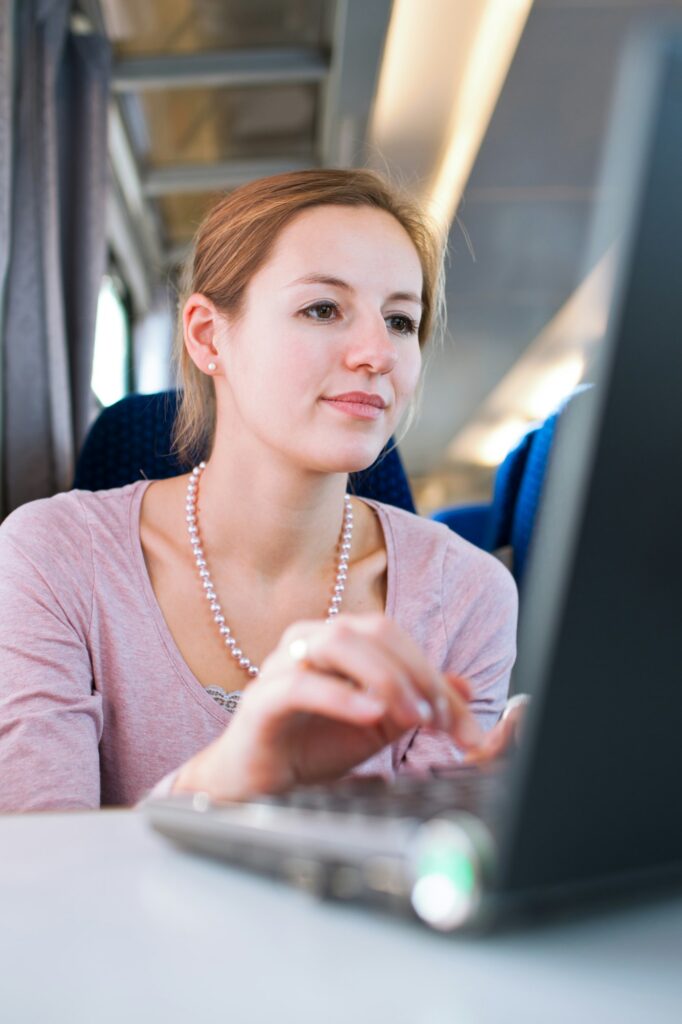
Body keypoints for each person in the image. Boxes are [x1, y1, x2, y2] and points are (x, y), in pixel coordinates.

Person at [0, 169, 518, 813]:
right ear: (208, 336)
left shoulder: (468, 594)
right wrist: (216, 782)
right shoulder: (51, 556)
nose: (377, 353)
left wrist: (488, 818)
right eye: (322, 309)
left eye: (400, 321)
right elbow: (42, 878)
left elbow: (420, 889)